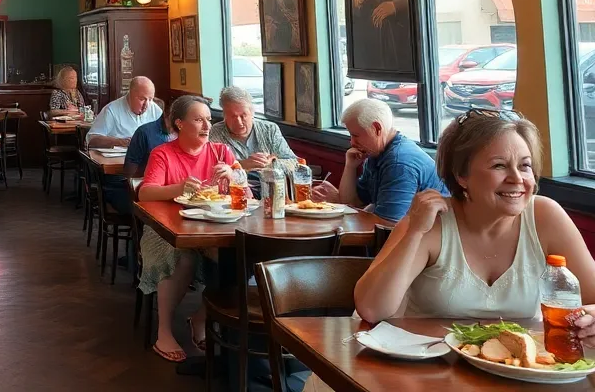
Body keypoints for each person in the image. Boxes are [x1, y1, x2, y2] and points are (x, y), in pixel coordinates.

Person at [354, 110, 595, 322]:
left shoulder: (546, 216)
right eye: (499, 165)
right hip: (428, 368)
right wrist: (414, 232)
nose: (517, 178)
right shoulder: (431, 221)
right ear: (461, 175)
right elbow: (373, 309)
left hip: (520, 367)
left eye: (525, 166)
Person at [137, 95, 236, 362]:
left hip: (213, 228)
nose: (206, 125)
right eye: (198, 119)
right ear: (179, 123)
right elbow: (145, 194)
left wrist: (235, 178)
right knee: (183, 256)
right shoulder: (163, 153)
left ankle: (201, 318)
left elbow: (244, 195)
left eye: (208, 119)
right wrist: (177, 188)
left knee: (237, 257)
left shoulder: (221, 152)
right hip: (165, 230)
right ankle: (164, 331)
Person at [312, 98, 447, 221]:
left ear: (376, 129)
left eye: (355, 135)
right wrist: (350, 166)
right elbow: (354, 202)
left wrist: (338, 201)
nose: (352, 142)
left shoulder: (398, 163)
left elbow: (386, 226)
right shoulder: (376, 153)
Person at [208, 86, 295, 170]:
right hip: (235, 184)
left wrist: (272, 163)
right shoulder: (215, 132)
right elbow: (211, 169)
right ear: (224, 115)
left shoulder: (269, 129)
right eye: (232, 116)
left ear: (252, 112)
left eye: (243, 115)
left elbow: (294, 162)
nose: (239, 122)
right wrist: (242, 165)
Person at [86, 77, 162, 149]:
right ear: (130, 94)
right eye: (142, 99)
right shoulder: (111, 110)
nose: (147, 105)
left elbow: (168, 135)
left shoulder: (154, 109)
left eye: (150, 99)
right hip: (118, 160)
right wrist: (121, 142)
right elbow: (92, 140)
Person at [123, 100, 176, 176]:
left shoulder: (186, 136)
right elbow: (130, 170)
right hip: (148, 182)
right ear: (166, 115)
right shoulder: (144, 132)